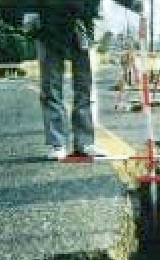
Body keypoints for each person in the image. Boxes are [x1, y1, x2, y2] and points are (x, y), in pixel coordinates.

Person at [23, 0, 103, 160]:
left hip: (81, 21)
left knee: (84, 85)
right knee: (51, 86)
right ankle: (57, 143)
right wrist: (30, 12)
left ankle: (85, 142)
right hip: (47, 22)